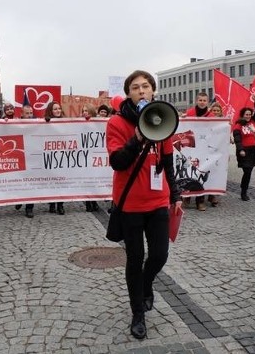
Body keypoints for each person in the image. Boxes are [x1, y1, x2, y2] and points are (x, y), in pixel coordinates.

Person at [106, 70, 182, 340]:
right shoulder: (116, 123)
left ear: (153, 92)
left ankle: (146, 283)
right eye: (135, 87)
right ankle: (137, 312)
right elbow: (118, 162)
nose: (141, 91)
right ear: (129, 93)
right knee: (135, 258)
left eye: (146, 86)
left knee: (160, 254)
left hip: (158, 200)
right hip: (130, 204)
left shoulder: (163, 119)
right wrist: (137, 137)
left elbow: (169, 162)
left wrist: (176, 194)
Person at [185, 92, 213, 211]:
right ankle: (187, 196)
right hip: (191, 148)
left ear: (207, 102)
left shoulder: (211, 116)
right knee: (190, 172)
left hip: (204, 149)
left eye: (204, 100)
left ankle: (200, 201)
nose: (202, 102)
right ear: (197, 101)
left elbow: (215, 130)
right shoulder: (190, 113)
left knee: (201, 173)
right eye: (200, 100)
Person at [232, 105, 255, 201]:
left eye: (249, 114)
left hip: (253, 150)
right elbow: (237, 139)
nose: (248, 116)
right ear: (242, 115)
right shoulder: (238, 125)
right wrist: (241, 150)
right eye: (246, 114)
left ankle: (244, 188)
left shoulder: (253, 123)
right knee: (247, 171)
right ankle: (243, 191)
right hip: (244, 151)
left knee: (249, 171)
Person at [45, 101, 65, 215]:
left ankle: (60, 205)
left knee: (61, 180)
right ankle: (52, 204)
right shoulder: (45, 122)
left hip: (61, 156)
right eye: (55, 109)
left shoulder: (66, 122)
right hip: (50, 156)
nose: (58, 111)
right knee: (52, 180)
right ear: (50, 111)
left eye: (59, 108)